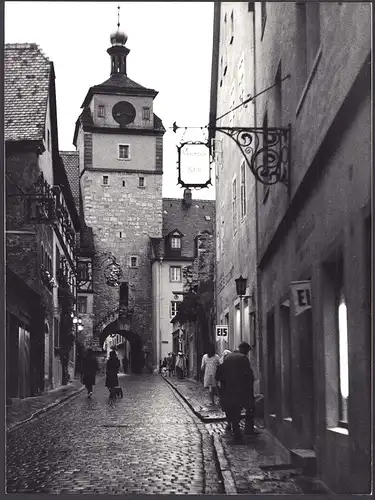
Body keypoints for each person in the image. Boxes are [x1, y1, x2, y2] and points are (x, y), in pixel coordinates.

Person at [218, 341, 259, 441]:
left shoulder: (228, 357)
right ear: (244, 350)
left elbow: (220, 374)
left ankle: (235, 430)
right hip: (241, 389)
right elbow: (248, 375)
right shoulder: (243, 358)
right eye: (247, 351)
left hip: (228, 389)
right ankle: (248, 430)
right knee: (250, 408)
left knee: (233, 410)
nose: (247, 354)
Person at [216, 349, 232, 429]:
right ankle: (233, 422)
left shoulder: (221, 366)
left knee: (227, 405)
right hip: (232, 388)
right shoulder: (234, 366)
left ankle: (229, 422)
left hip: (224, 388)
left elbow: (217, 377)